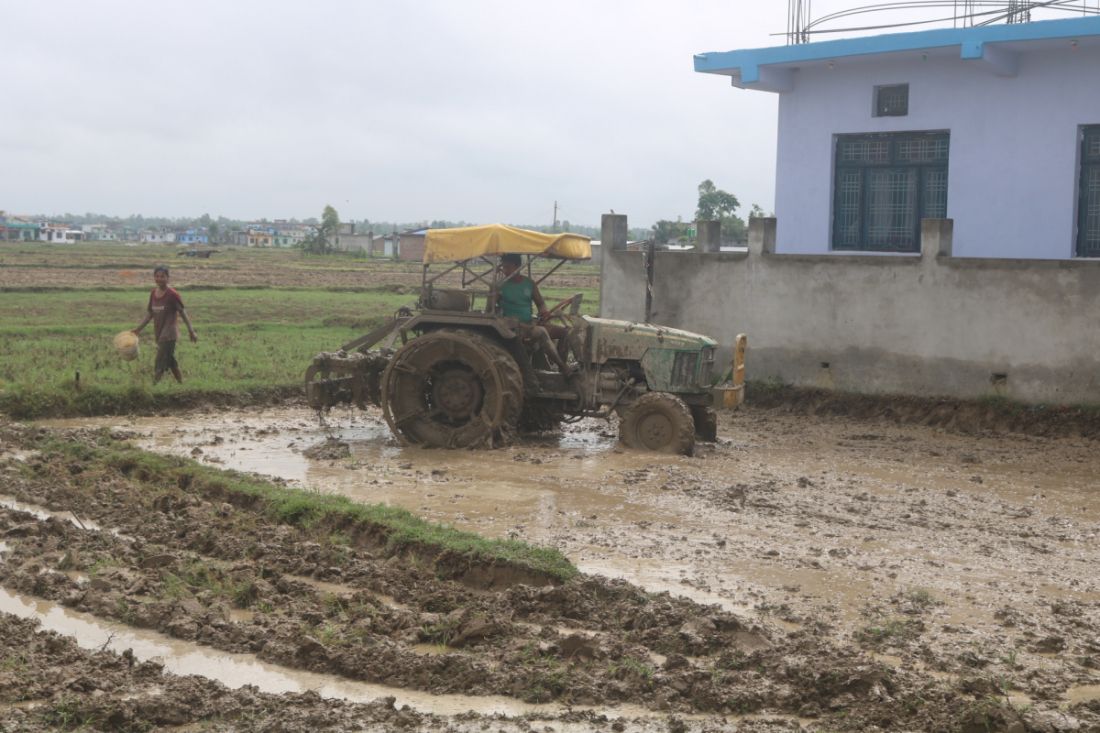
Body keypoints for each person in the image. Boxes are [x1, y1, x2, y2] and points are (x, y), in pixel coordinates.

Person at [497, 253, 574, 374]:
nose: (505, 271)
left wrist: (542, 310)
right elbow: (489, 310)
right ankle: (563, 367)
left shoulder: (529, 283)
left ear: (518, 267)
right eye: (504, 267)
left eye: (509, 267)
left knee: (566, 331)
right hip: (515, 328)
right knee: (541, 331)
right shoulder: (499, 286)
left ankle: (561, 373)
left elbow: (541, 303)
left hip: (531, 325)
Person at [131, 265, 197, 384]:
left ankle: (153, 387)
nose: (159, 279)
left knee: (160, 361)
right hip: (159, 331)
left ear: (168, 277)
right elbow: (149, 314)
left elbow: (182, 313)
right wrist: (138, 329)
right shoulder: (153, 293)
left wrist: (191, 331)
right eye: (157, 276)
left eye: (162, 276)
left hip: (169, 333)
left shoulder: (172, 294)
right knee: (170, 359)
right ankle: (181, 384)